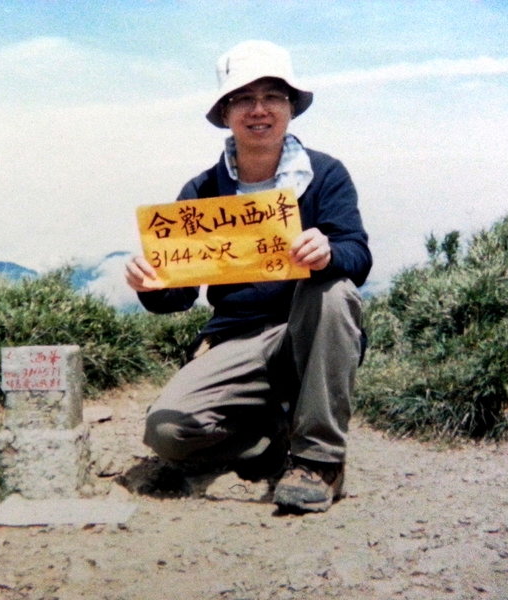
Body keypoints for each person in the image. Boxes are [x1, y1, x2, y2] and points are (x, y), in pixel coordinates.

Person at [125, 40, 371, 513]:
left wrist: (330, 252)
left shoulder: (325, 175)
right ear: (225, 111)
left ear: (290, 108)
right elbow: (178, 297)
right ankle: (270, 440)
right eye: (243, 98)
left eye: (273, 96)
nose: (259, 110)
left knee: (334, 290)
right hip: (235, 338)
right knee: (167, 433)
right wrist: (150, 286)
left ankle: (320, 461)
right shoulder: (201, 192)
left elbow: (357, 255)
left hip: (307, 332)